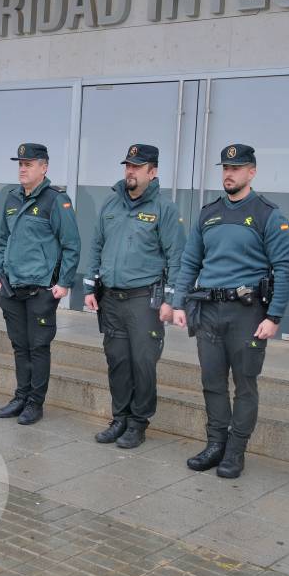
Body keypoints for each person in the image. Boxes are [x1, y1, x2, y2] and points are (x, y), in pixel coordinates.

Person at [172, 144, 289, 479]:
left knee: (244, 384)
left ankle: (235, 451)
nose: (229, 174)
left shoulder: (268, 213)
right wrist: (180, 301)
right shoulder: (208, 212)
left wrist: (274, 317)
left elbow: (285, 268)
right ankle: (215, 444)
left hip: (248, 314)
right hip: (209, 310)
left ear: (251, 172)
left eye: (237, 168)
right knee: (212, 381)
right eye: (226, 168)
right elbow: (190, 260)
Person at [84, 144, 184, 448]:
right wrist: (90, 287)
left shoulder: (164, 209)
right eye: (127, 165)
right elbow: (96, 245)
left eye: (137, 167)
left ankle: (138, 423)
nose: (130, 171)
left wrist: (171, 300)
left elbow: (177, 256)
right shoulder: (111, 204)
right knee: (117, 360)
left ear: (152, 172)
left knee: (142, 361)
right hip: (112, 298)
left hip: (144, 299)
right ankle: (120, 418)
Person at [0, 143, 80, 426]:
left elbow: (71, 244)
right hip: (13, 287)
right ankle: (20, 397)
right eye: (20, 163)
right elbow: (4, 238)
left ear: (44, 167)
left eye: (28, 164)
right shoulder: (11, 197)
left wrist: (64, 283)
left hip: (41, 289)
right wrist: (1, 269)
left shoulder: (56, 200)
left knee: (38, 347)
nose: (22, 168)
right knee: (20, 346)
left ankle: (34, 403)